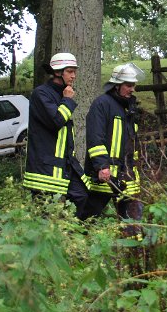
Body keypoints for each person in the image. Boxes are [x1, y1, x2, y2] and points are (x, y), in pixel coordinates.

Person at [23, 52, 91, 217]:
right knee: (45, 213)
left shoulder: (61, 93)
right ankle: (53, 237)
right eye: (70, 71)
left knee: (82, 196)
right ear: (57, 72)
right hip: (45, 167)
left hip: (65, 163)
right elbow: (56, 121)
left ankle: (68, 234)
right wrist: (67, 100)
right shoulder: (41, 94)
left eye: (75, 71)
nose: (74, 76)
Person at [83, 62, 145, 227]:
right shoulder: (102, 104)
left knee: (133, 221)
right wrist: (102, 165)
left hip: (127, 176)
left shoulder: (128, 108)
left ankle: (135, 251)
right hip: (105, 175)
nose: (132, 89)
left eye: (134, 85)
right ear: (116, 85)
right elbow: (95, 137)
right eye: (128, 85)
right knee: (89, 218)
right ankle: (79, 247)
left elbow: (131, 142)